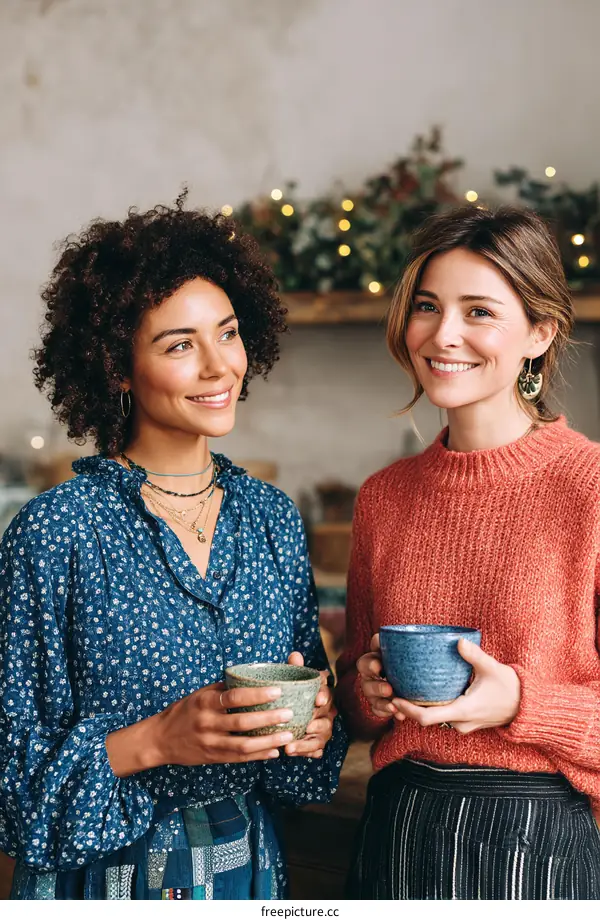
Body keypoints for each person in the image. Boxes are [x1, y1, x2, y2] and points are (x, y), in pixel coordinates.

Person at [0, 195, 347, 900]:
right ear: (117, 368)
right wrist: (156, 741)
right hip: (100, 880)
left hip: (246, 868)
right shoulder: (55, 532)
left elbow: (305, 737)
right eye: (180, 345)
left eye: (228, 333)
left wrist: (315, 728)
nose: (221, 368)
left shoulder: (272, 520)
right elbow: (12, 781)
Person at [336, 205, 600, 900]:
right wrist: (362, 688)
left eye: (478, 311)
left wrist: (523, 702)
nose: (443, 334)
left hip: (537, 847)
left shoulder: (591, 488)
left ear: (539, 334)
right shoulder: (384, 497)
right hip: (398, 827)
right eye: (427, 306)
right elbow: (358, 704)